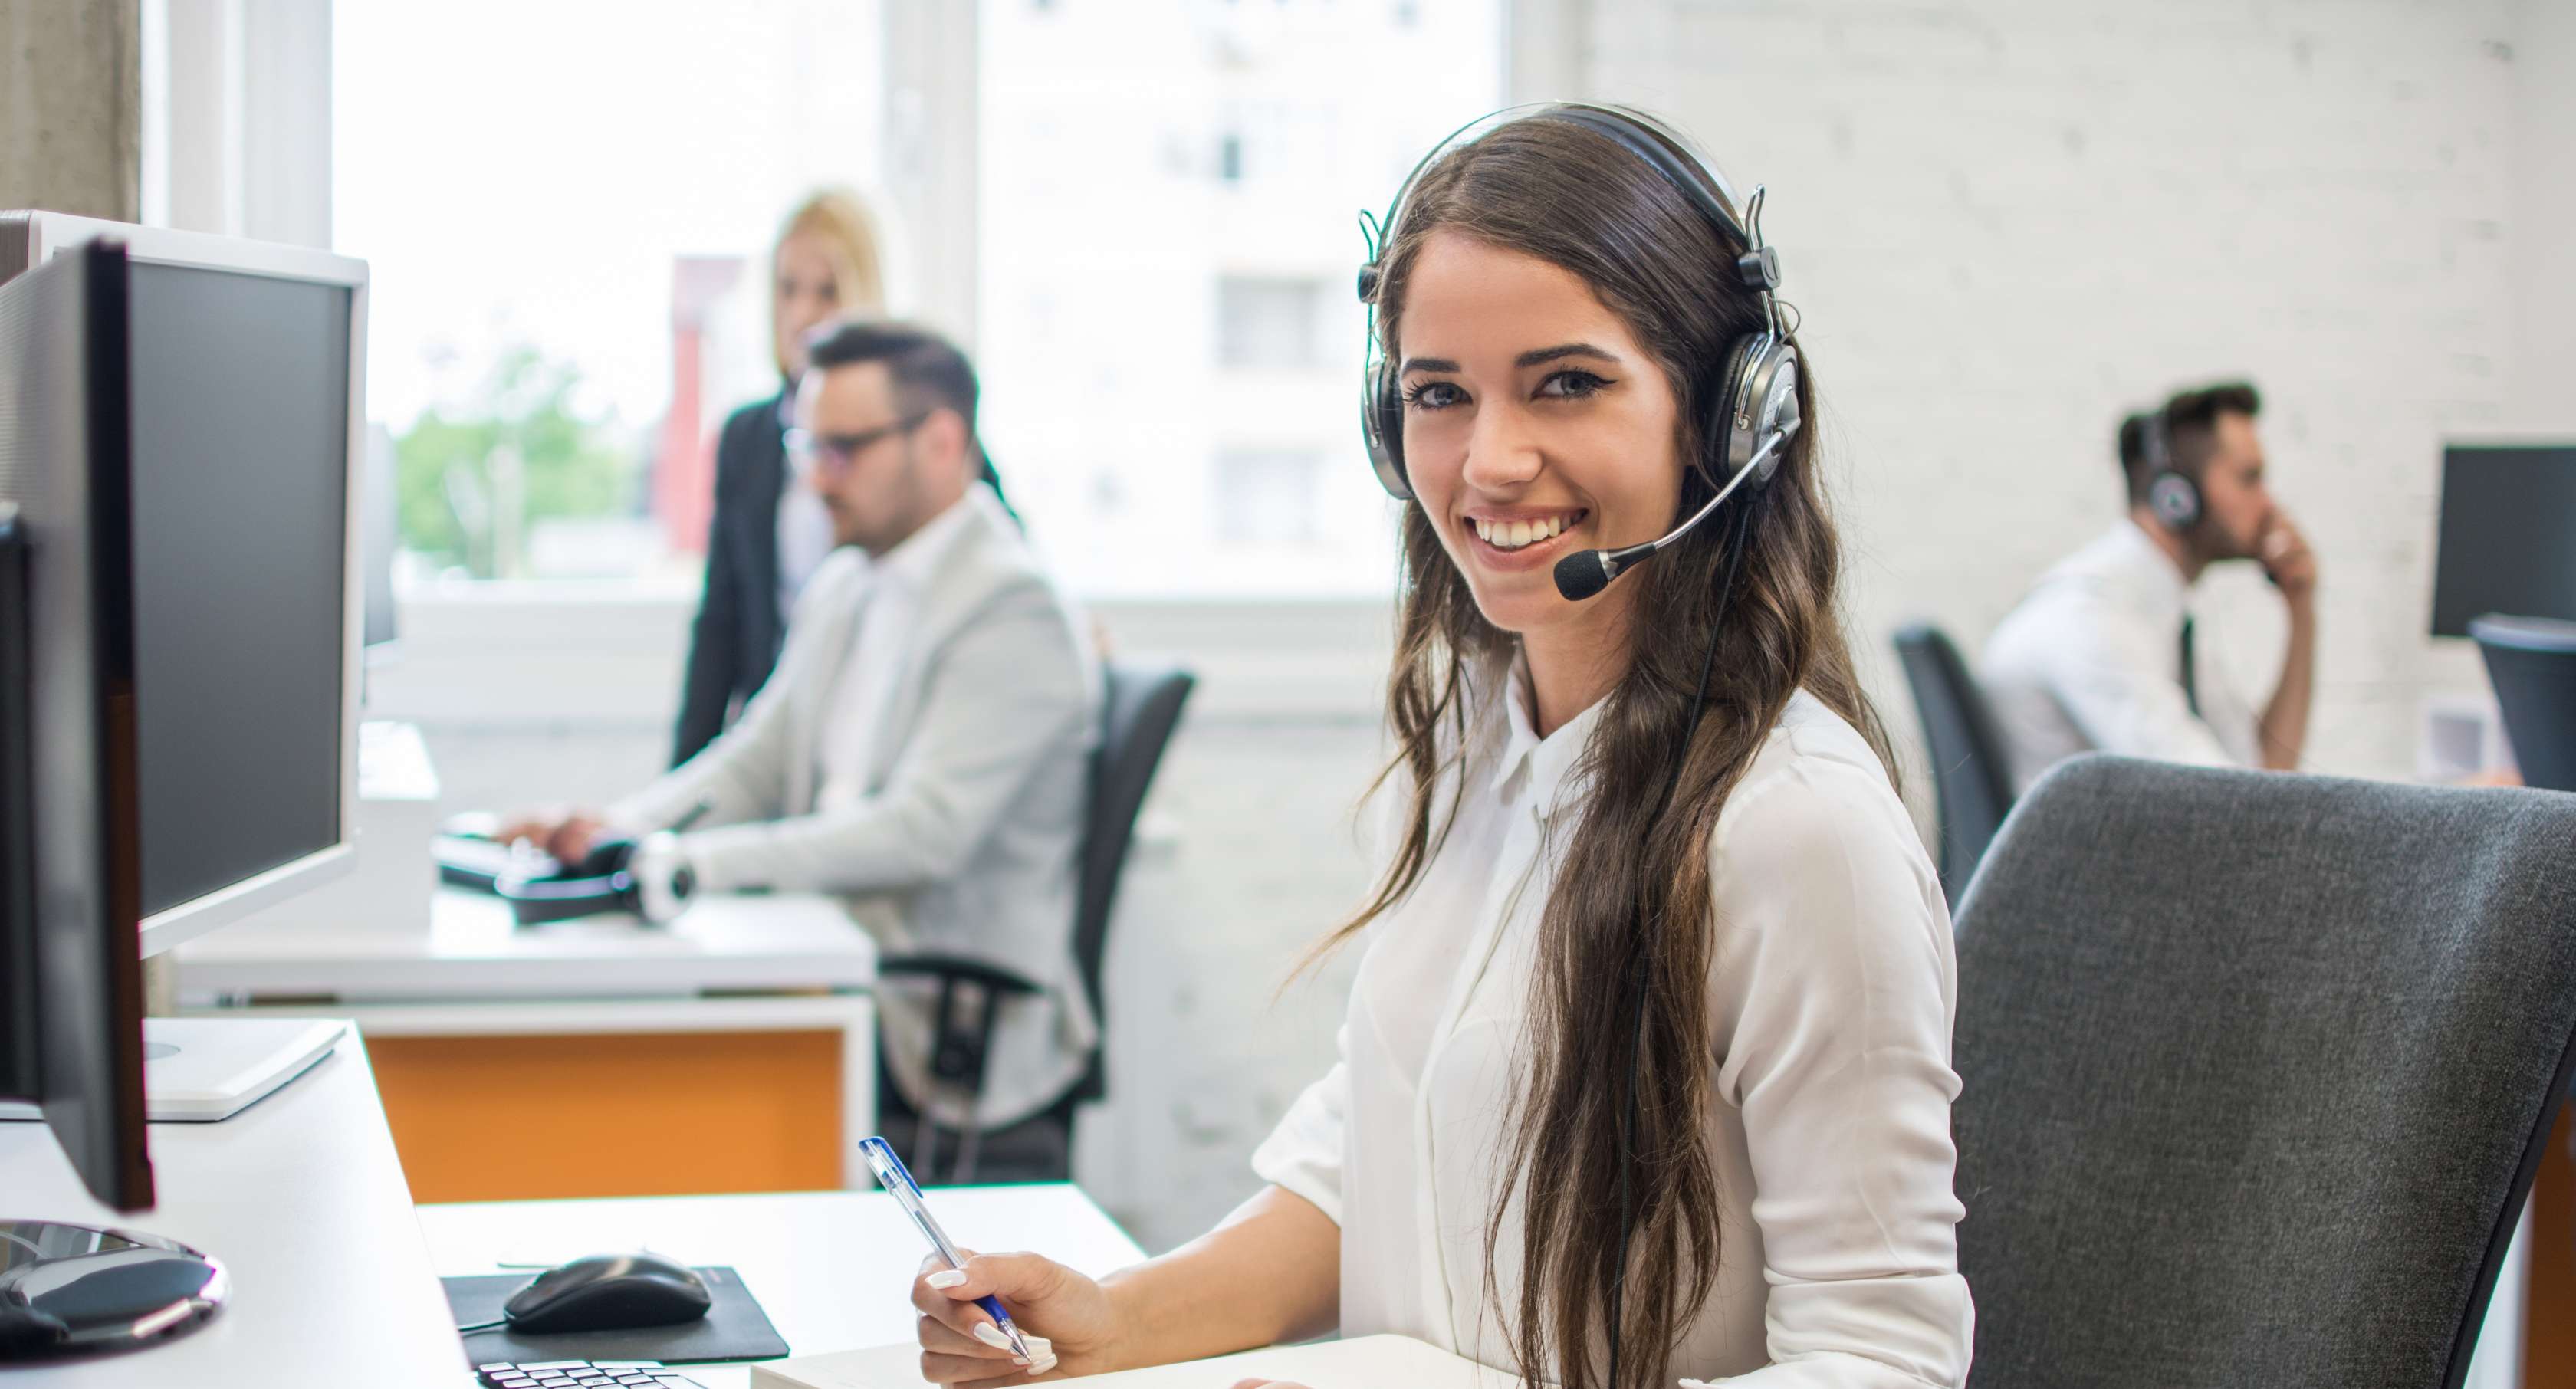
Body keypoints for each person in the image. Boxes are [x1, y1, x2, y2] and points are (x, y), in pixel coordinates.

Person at [903, 105, 1970, 1389]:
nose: (1489, 460)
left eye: (1565, 382)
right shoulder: (1484, 727)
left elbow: (1883, 1362)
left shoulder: (1801, 832)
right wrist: (1117, 1322)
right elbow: (1385, 1147)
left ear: (1722, 416)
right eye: (1438, 394)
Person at [502, 318, 1099, 1148]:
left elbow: (920, 834)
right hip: (834, 963)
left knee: (638, 1085)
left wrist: (691, 866)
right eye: (806, 448)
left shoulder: (1011, 606)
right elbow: (756, 762)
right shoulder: (849, 580)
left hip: (932, 1024)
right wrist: (620, 830)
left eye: (843, 450)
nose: (817, 481)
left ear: (941, 440)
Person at [673, 189, 1017, 767]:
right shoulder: (746, 440)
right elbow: (720, 629)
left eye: (828, 291)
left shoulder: (925, 435)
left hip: (888, 739)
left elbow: (997, 558)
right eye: (787, 290)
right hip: (782, 737)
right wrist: (658, 823)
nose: (804, 314)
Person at [1983, 383, 2318, 791]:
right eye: (2249, 479)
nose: (2269, 504)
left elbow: (2263, 777)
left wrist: (2301, 607)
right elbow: (2223, 804)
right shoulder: (2090, 621)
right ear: (2177, 499)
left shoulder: (2165, 617)